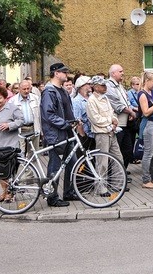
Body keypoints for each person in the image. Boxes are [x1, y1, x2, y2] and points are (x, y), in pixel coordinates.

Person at [40, 62, 79, 207]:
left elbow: (66, 110)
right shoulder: (49, 92)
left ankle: (68, 192)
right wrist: (65, 124)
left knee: (72, 163)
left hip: (67, 132)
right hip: (56, 134)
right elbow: (49, 114)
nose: (66, 74)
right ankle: (52, 197)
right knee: (54, 166)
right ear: (56, 73)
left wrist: (74, 121)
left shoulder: (62, 90)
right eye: (64, 72)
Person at [0, 85, 24, 202]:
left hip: (9, 145)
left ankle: (9, 192)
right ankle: (5, 191)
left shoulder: (12, 108)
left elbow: (21, 120)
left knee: (9, 170)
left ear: (5, 97)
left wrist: (9, 125)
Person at [86, 76, 125, 192]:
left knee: (118, 158)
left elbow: (112, 112)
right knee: (102, 161)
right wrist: (110, 121)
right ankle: (100, 187)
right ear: (96, 87)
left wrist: (114, 121)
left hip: (111, 131)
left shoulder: (105, 98)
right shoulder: (92, 100)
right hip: (101, 133)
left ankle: (118, 185)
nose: (105, 87)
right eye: (102, 85)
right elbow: (95, 118)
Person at [105, 64, 137, 168]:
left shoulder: (120, 86)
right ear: (113, 73)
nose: (123, 73)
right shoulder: (108, 85)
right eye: (120, 71)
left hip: (125, 123)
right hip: (117, 125)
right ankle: (113, 176)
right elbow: (117, 105)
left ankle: (122, 172)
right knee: (116, 152)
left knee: (127, 150)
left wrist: (130, 111)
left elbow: (126, 101)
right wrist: (131, 112)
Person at [11, 79, 41, 157]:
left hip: (33, 128)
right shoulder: (13, 101)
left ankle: (31, 169)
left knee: (33, 154)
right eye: (24, 89)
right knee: (20, 153)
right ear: (19, 89)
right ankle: (22, 168)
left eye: (28, 89)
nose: (26, 91)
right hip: (20, 129)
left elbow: (40, 115)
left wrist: (41, 130)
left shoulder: (35, 98)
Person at [71, 75, 94, 151]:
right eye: (88, 84)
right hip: (85, 136)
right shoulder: (77, 102)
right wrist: (83, 137)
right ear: (81, 86)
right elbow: (77, 121)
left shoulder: (91, 98)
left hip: (93, 135)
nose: (91, 85)